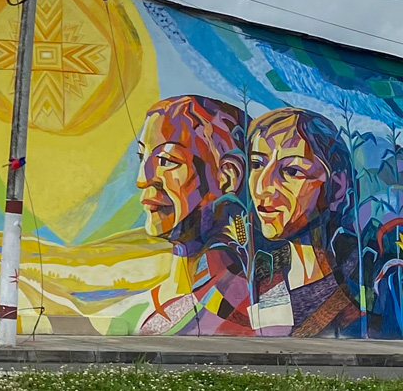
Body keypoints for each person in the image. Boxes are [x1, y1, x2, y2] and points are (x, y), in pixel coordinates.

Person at [134, 95, 252, 335]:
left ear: (228, 175)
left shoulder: (237, 300)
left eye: (166, 161)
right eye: (142, 157)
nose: (143, 179)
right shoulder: (143, 303)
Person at [248, 107, 362, 336]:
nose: (261, 187)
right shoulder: (264, 272)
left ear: (337, 188)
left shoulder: (360, 280)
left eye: (291, 170)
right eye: (256, 165)